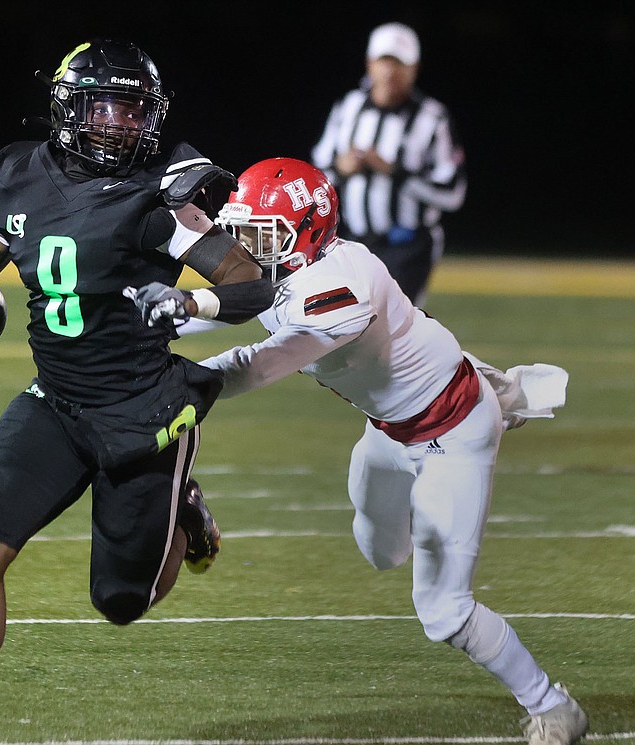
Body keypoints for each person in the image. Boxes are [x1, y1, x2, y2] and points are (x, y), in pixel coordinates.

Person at [130, 157, 588, 745]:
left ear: (309, 233)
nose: (246, 248)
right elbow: (238, 293)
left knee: (443, 611)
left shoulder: (342, 285)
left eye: (262, 236)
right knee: (378, 550)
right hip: (389, 427)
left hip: (452, 430)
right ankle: (495, 391)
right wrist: (155, 288)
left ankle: (553, 706)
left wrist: (181, 332)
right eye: (242, 232)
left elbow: (257, 362)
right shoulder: (288, 267)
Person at [0, 38, 274, 745]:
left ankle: (183, 509)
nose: (120, 125)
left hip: (143, 411)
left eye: (134, 111)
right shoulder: (16, 175)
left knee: (121, 602)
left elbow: (249, 280)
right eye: (105, 108)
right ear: (69, 109)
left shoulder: (162, 187)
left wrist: (191, 305)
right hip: (57, 402)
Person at [310, 22, 467, 307]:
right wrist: (341, 170)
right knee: (342, 328)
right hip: (352, 243)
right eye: (384, 61)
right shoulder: (348, 108)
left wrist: (394, 171)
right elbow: (315, 177)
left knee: (393, 329)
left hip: (407, 246)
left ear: (414, 68)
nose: (390, 72)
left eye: (400, 63)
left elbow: (453, 193)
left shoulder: (432, 118)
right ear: (370, 63)